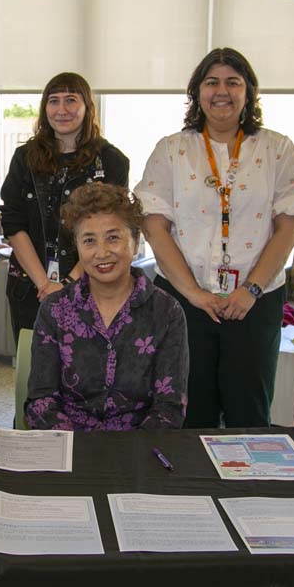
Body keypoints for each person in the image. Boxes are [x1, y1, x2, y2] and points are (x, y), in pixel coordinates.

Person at [135, 47, 294, 428]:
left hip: (255, 300)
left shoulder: (278, 149)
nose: (222, 91)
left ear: (248, 92)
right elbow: (155, 227)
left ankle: (249, 486)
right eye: (211, 81)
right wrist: (195, 294)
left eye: (233, 82)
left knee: (249, 408)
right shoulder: (172, 150)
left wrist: (250, 290)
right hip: (184, 299)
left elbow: (289, 227)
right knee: (187, 406)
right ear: (196, 92)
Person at [26, 183, 187, 430]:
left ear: (135, 242)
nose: (101, 252)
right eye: (89, 240)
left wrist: (125, 455)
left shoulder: (167, 311)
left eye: (113, 238)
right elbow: (41, 401)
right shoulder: (55, 309)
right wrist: (79, 449)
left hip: (137, 450)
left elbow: (169, 407)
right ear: (78, 247)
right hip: (68, 447)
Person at [0, 72, 130, 338]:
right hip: (30, 287)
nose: (61, 110)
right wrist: (44, 284)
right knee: (33, 370)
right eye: (53, 101)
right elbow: (13, 223)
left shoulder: (112, 161)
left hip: (91, 287)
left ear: (86, 107)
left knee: (85, 371)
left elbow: (113, 230)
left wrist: (67, 284)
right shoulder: (24, 158)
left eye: (71, 100)